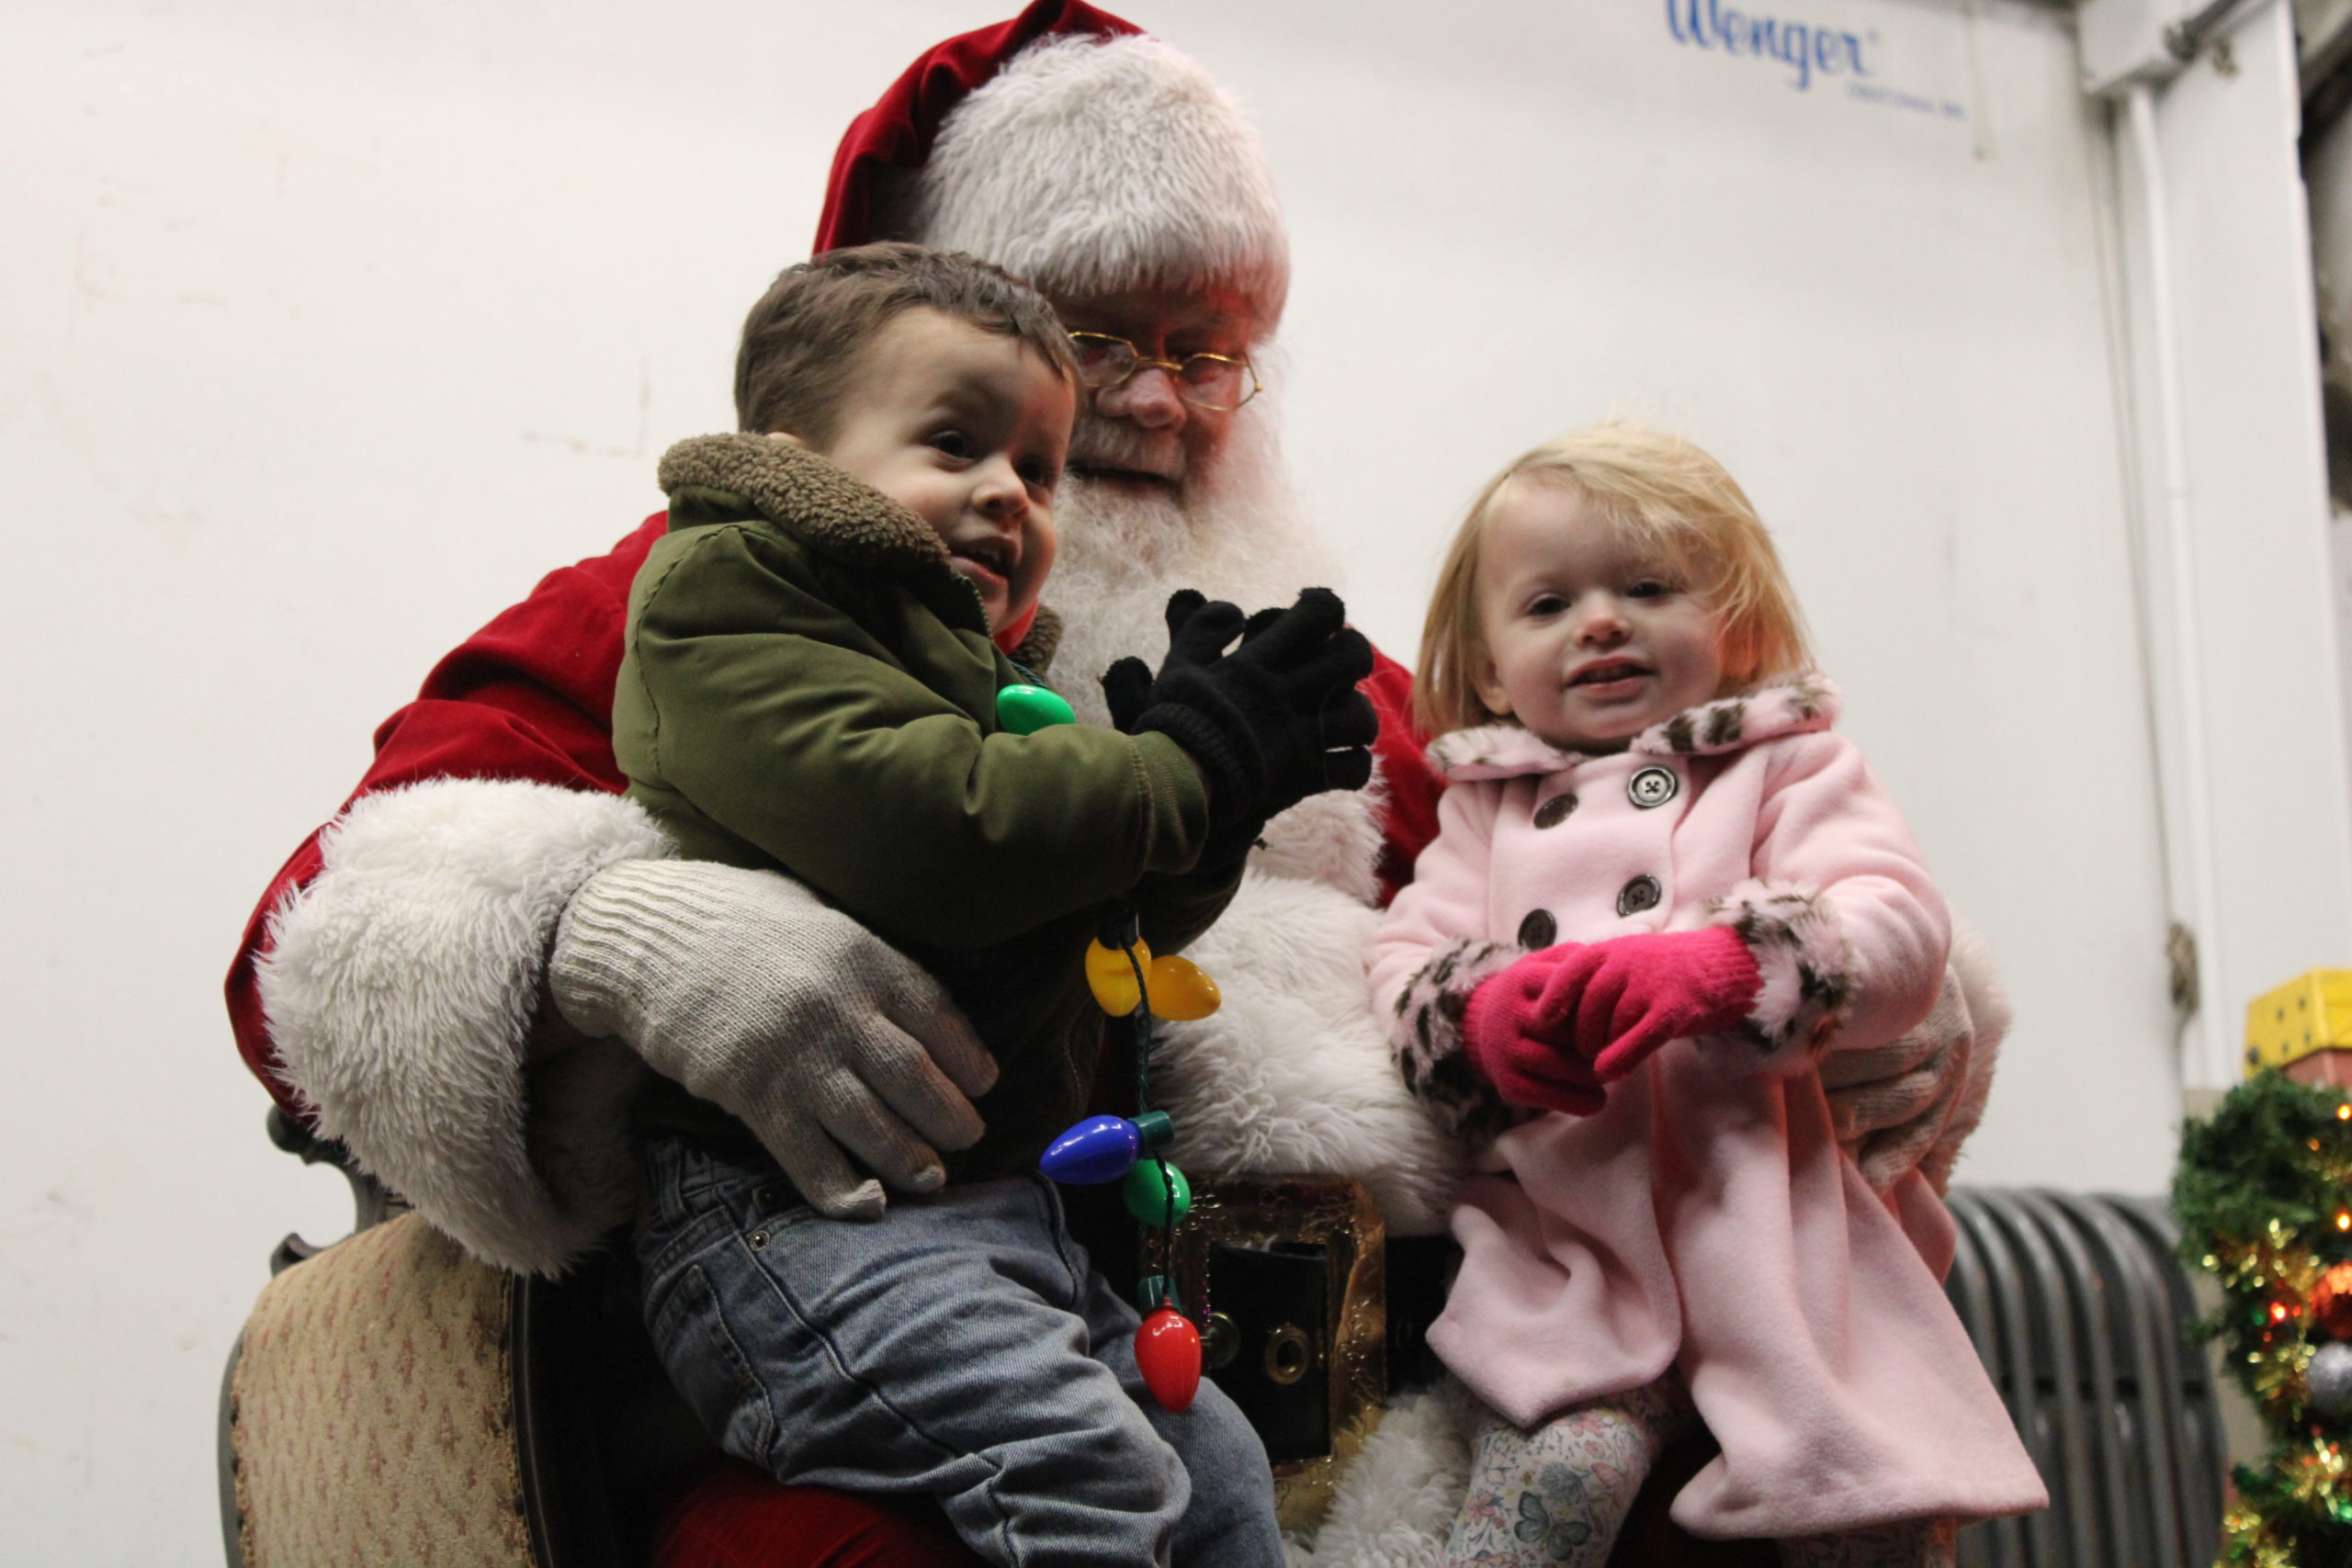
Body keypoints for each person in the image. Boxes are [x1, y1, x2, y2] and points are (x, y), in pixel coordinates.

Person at [227, 6, 1998, 1562]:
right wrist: (621, 932)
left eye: (1214, 344)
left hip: (1395, 1375)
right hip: (909, 1337)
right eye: (1100, 339)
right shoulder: (713, 586)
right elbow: (316, 935)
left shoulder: (1344, 682)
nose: (1162, 401)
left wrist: (1885, 1000)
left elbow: (1659, 842)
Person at [606, 240, 1373, 1566]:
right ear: (794, 453)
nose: (1007, 494)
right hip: (798, 1223)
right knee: (1081, 1472)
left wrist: (1221, 799)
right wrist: (1173, 772)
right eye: (954, 443)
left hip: (991, 1216)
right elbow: (942, 835)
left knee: (1219, 1463)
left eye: (1035, 465)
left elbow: (1097, 943)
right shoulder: (727, 598)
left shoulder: (972, 672)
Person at [1371, 425, 2045, 1568]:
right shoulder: (1483, 810)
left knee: (1866, 1508)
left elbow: (1899, 922)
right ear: (1487, 667)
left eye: (1645, 587)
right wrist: (1481, 1022)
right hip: (1568, 1258)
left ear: (1737, 628)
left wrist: (1734, 968)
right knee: (1543, 1498)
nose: (1599, 621)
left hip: (1782, 1243)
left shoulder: (1789, 763)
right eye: (1545, 605)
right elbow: (1400, 972)